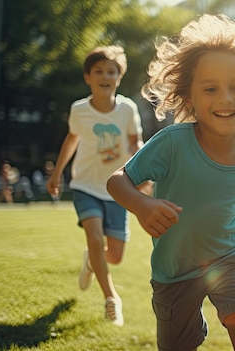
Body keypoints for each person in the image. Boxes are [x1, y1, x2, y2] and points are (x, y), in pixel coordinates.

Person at [107, 14, 235, 351]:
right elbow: (118, 181)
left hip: (228, 257)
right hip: (174, 270)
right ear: (189, 97)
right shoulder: (172, 143)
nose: (225, 99)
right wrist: (143, 205)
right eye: (210, 89)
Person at [46, 45, 144, 326]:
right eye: (98, 71)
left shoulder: (128, 109)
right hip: (85, 186)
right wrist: (57, 174)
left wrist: (145, 171)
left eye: (111, 71)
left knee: (114, 255)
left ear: (119, 78)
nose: (105, 76)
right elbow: (72, 140)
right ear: (88, 77)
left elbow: (136, 142)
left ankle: (92, 261)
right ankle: (111, 299)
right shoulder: (79, 109)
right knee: (93, 235)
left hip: (119, 188)